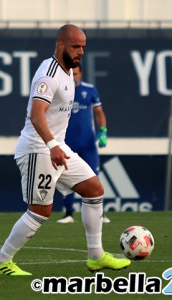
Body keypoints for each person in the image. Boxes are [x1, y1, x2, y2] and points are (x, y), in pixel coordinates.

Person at [0, 24, 131, 276]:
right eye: (76, 46)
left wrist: (57, 146)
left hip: (57, 148)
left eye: (83, 48)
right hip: (38, 149)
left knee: (94, 190)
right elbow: (36, 114)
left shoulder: (69, 73)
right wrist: (52, 145)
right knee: (40, 212)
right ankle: (2, 261)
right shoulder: (50, 74)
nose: (81, 52)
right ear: (60, 45)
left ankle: (96, 257)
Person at [57, 65, 111, 224]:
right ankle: (68, 214)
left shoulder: (90, 90)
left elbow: (99, 112)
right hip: (68, 144)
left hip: (88, 144)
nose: (73, 76)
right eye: (70, 73)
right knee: (66, 178)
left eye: (75, 73)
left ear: (80, 74)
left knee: (94, 177)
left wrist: (103, 131)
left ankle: (100, 214)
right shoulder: (61, 92)